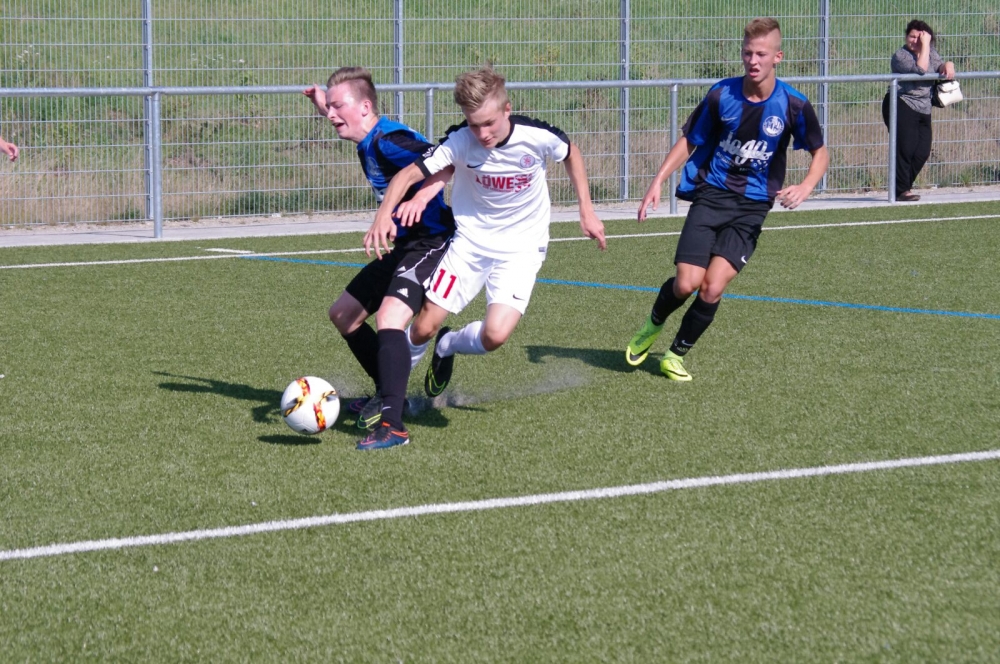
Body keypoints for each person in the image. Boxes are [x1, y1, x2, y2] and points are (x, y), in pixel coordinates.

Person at [363, 67, 607, 449]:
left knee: (495, 336)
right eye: (474, 124)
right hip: (470, 244)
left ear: (507, 109)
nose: (483, 133)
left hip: (522, 249)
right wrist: (390, 212)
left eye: (489, 123)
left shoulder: (536, 136)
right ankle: (389, 396)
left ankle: (447, 346)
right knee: (423, 326)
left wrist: (586, 210)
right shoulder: (462, 139)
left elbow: (570, 153)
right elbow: (409, 174)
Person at [629, 17, 828, 381]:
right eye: (748, 53)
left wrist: (806, 186)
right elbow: (690, 140)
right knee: (686, 283)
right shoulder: (722, 94)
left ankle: (674, 355)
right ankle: (653, 324)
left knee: (713, 287)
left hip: (752, 207)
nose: (753, 61)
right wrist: (657, 181)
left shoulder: (794, 104)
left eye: (761, 54)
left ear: (778, 57)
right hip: (711, 196)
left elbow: (820, 152)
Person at [303, 67, 455, 448]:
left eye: (339, 107)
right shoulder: (368, 137)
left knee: (390, 318)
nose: (332, 115)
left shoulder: (390, 140)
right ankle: (388, 392)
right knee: (343, 314)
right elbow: (342, 112)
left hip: (430, 241)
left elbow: (446, 160)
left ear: (365, 107)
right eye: (329, 108)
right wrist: (324, 103)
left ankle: (394, 425)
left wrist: (414, 201)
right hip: (404, 244)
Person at [881, 20, 957, 202]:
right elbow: (921, 70)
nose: (915, 40)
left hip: (924, 107)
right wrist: (925, 45)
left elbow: (938, 65)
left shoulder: (930, 52)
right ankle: (901, 190)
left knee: (922, 151)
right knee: (905, 148)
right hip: (901, 103)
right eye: (912, 36)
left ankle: (902, 187)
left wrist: (948, 64)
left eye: (919, 37)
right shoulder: (900, 56)